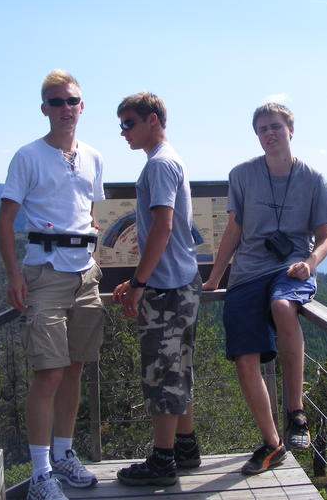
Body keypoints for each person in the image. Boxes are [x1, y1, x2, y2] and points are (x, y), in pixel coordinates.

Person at [202, 102, 327, 475]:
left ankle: (296, 413)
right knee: (245, 358)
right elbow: (234, 229)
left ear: (291, 130)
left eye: (275, 126)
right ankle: (271, 443)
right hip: (247, 272)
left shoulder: (313, 178)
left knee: (282, 306)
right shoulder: (242, 175)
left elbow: (324, 238)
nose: (269, 134)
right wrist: (216, 277)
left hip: (291, 267)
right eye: (262, 129)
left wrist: (309, 263)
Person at [0, 69, 104, 500]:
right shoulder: (28, 157)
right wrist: (13, 275)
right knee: (49, 373)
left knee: (75, 367)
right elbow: (4, 221)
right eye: (56, 102)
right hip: (44, 273)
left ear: (82, 106)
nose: (65, 109)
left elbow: (89, 214)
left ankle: (63, 454)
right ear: (44, 109)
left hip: (86, 274)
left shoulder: (93, 157)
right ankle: (41, 473)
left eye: (71, 101)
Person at [112, 91, 202, 486]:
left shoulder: (160, 165)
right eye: (121, 125)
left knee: (162, 374)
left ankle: (163, 461)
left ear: (153, 120)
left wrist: (139, 282)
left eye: (129, 123)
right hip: (182, 281)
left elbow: (162, 226)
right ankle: (186, 448)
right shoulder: (167, 160)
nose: (124, 132)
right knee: (178, 369)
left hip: (165, 287)